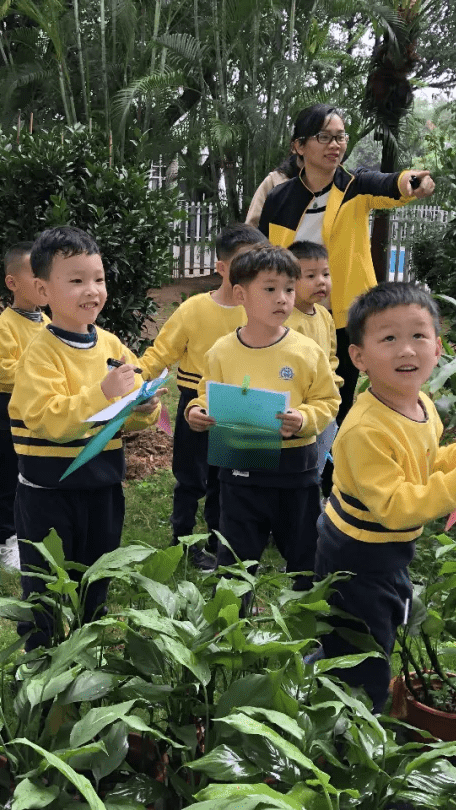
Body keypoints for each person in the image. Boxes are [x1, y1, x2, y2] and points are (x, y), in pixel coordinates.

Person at [314, 282, 456, 712]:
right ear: (359, 357)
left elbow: (428, 460)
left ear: (438, 348)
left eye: (418, 336)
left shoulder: (420, 402)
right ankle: (357, 716)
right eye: (389, 338)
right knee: (363, 638)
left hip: (388, 548)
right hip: (357, 551)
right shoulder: (366, 429)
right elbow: (398, 508)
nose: (407, 350)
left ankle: (329, 667)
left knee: (379, 618)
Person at [10, 226, 164, 651]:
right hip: (48, 492)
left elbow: (121, 413)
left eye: (97, 279)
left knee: (96, 577)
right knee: (47, 585)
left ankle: (87, 650)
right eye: (75, 280)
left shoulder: (111, 343)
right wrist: (104, 393)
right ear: (43, 290)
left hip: (103, 487)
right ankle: (43, 661)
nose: (91, 290)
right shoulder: (40, 352)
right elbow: (47, 421)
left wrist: (142, 411)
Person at [252, 103, 435, 427]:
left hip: (342, 316)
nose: (335, 145)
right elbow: (264, 254)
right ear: (299, 145)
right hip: (289, 313)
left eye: (340, 137)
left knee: (337, 396)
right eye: (324, 137)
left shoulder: (356, 187)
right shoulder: (279, 197)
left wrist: (412, 181)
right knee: (286, 390)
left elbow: (390, 183)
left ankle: (333, 469)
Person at [186, 245, 339, 596]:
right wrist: (197, 412)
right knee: (236, 557)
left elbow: (328, 400)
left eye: (288, 288)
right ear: (241, 294)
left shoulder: (305, 352)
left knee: (305, 552)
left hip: (296, 471)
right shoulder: (221, 352)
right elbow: (206, 395)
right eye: (269, 289)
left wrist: (304, 419)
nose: (282, 299)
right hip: (240, 469)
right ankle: (230, 628)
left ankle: (306, 618)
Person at [137, 223, 266, 571]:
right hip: (197, 401)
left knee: (227, 478)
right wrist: (136, 378)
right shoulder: (194, 309)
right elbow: (161, 352)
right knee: (191, 478)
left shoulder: (262, 311)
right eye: (243, 262)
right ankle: (182, 542)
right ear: (221, 268)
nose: (252, 271)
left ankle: (218, 541)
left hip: (241, 403)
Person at [0, 242, 48, 571]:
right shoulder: (4, 327)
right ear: (13, 283)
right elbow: (4, 373)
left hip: (38, 416)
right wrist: (41, 372)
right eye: (35, 274)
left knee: (34, 477)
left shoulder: (48, 323)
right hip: (8, 415)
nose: (44, 281)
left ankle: (30, 535)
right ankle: (6, 539)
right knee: (9, 477)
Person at [285, 241, 341, 490]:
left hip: (324, 404)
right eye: (311, 276)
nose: (321, 282)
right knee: (296, 461)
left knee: (318, 458)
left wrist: (334, 385)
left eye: (325, 274)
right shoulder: (285, 319)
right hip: (298, 407)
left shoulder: (325, 316)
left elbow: (331, 357)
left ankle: (311, 495)